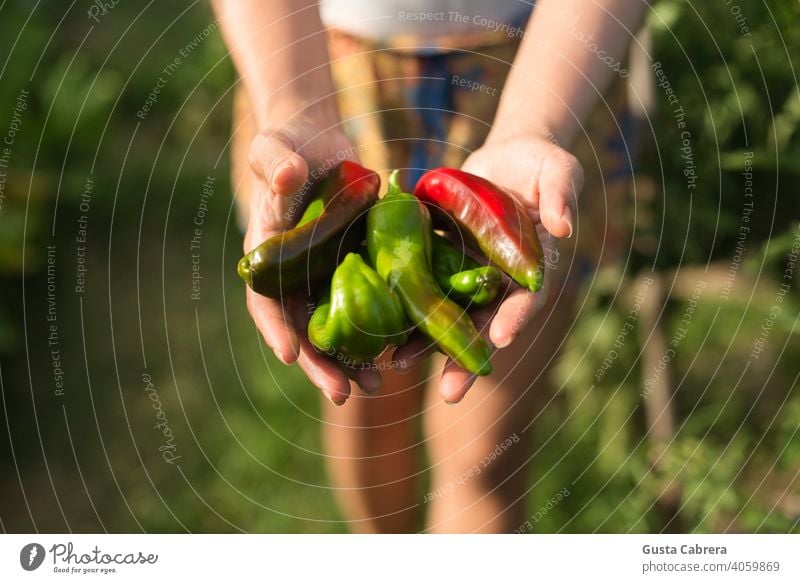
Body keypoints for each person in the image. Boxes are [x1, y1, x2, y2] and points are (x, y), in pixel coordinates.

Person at [212, 0, 646, 533]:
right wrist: (295, 105)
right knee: (366, 412)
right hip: (326, 69)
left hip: (548, 66)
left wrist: (534, 127)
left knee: (486, 453)